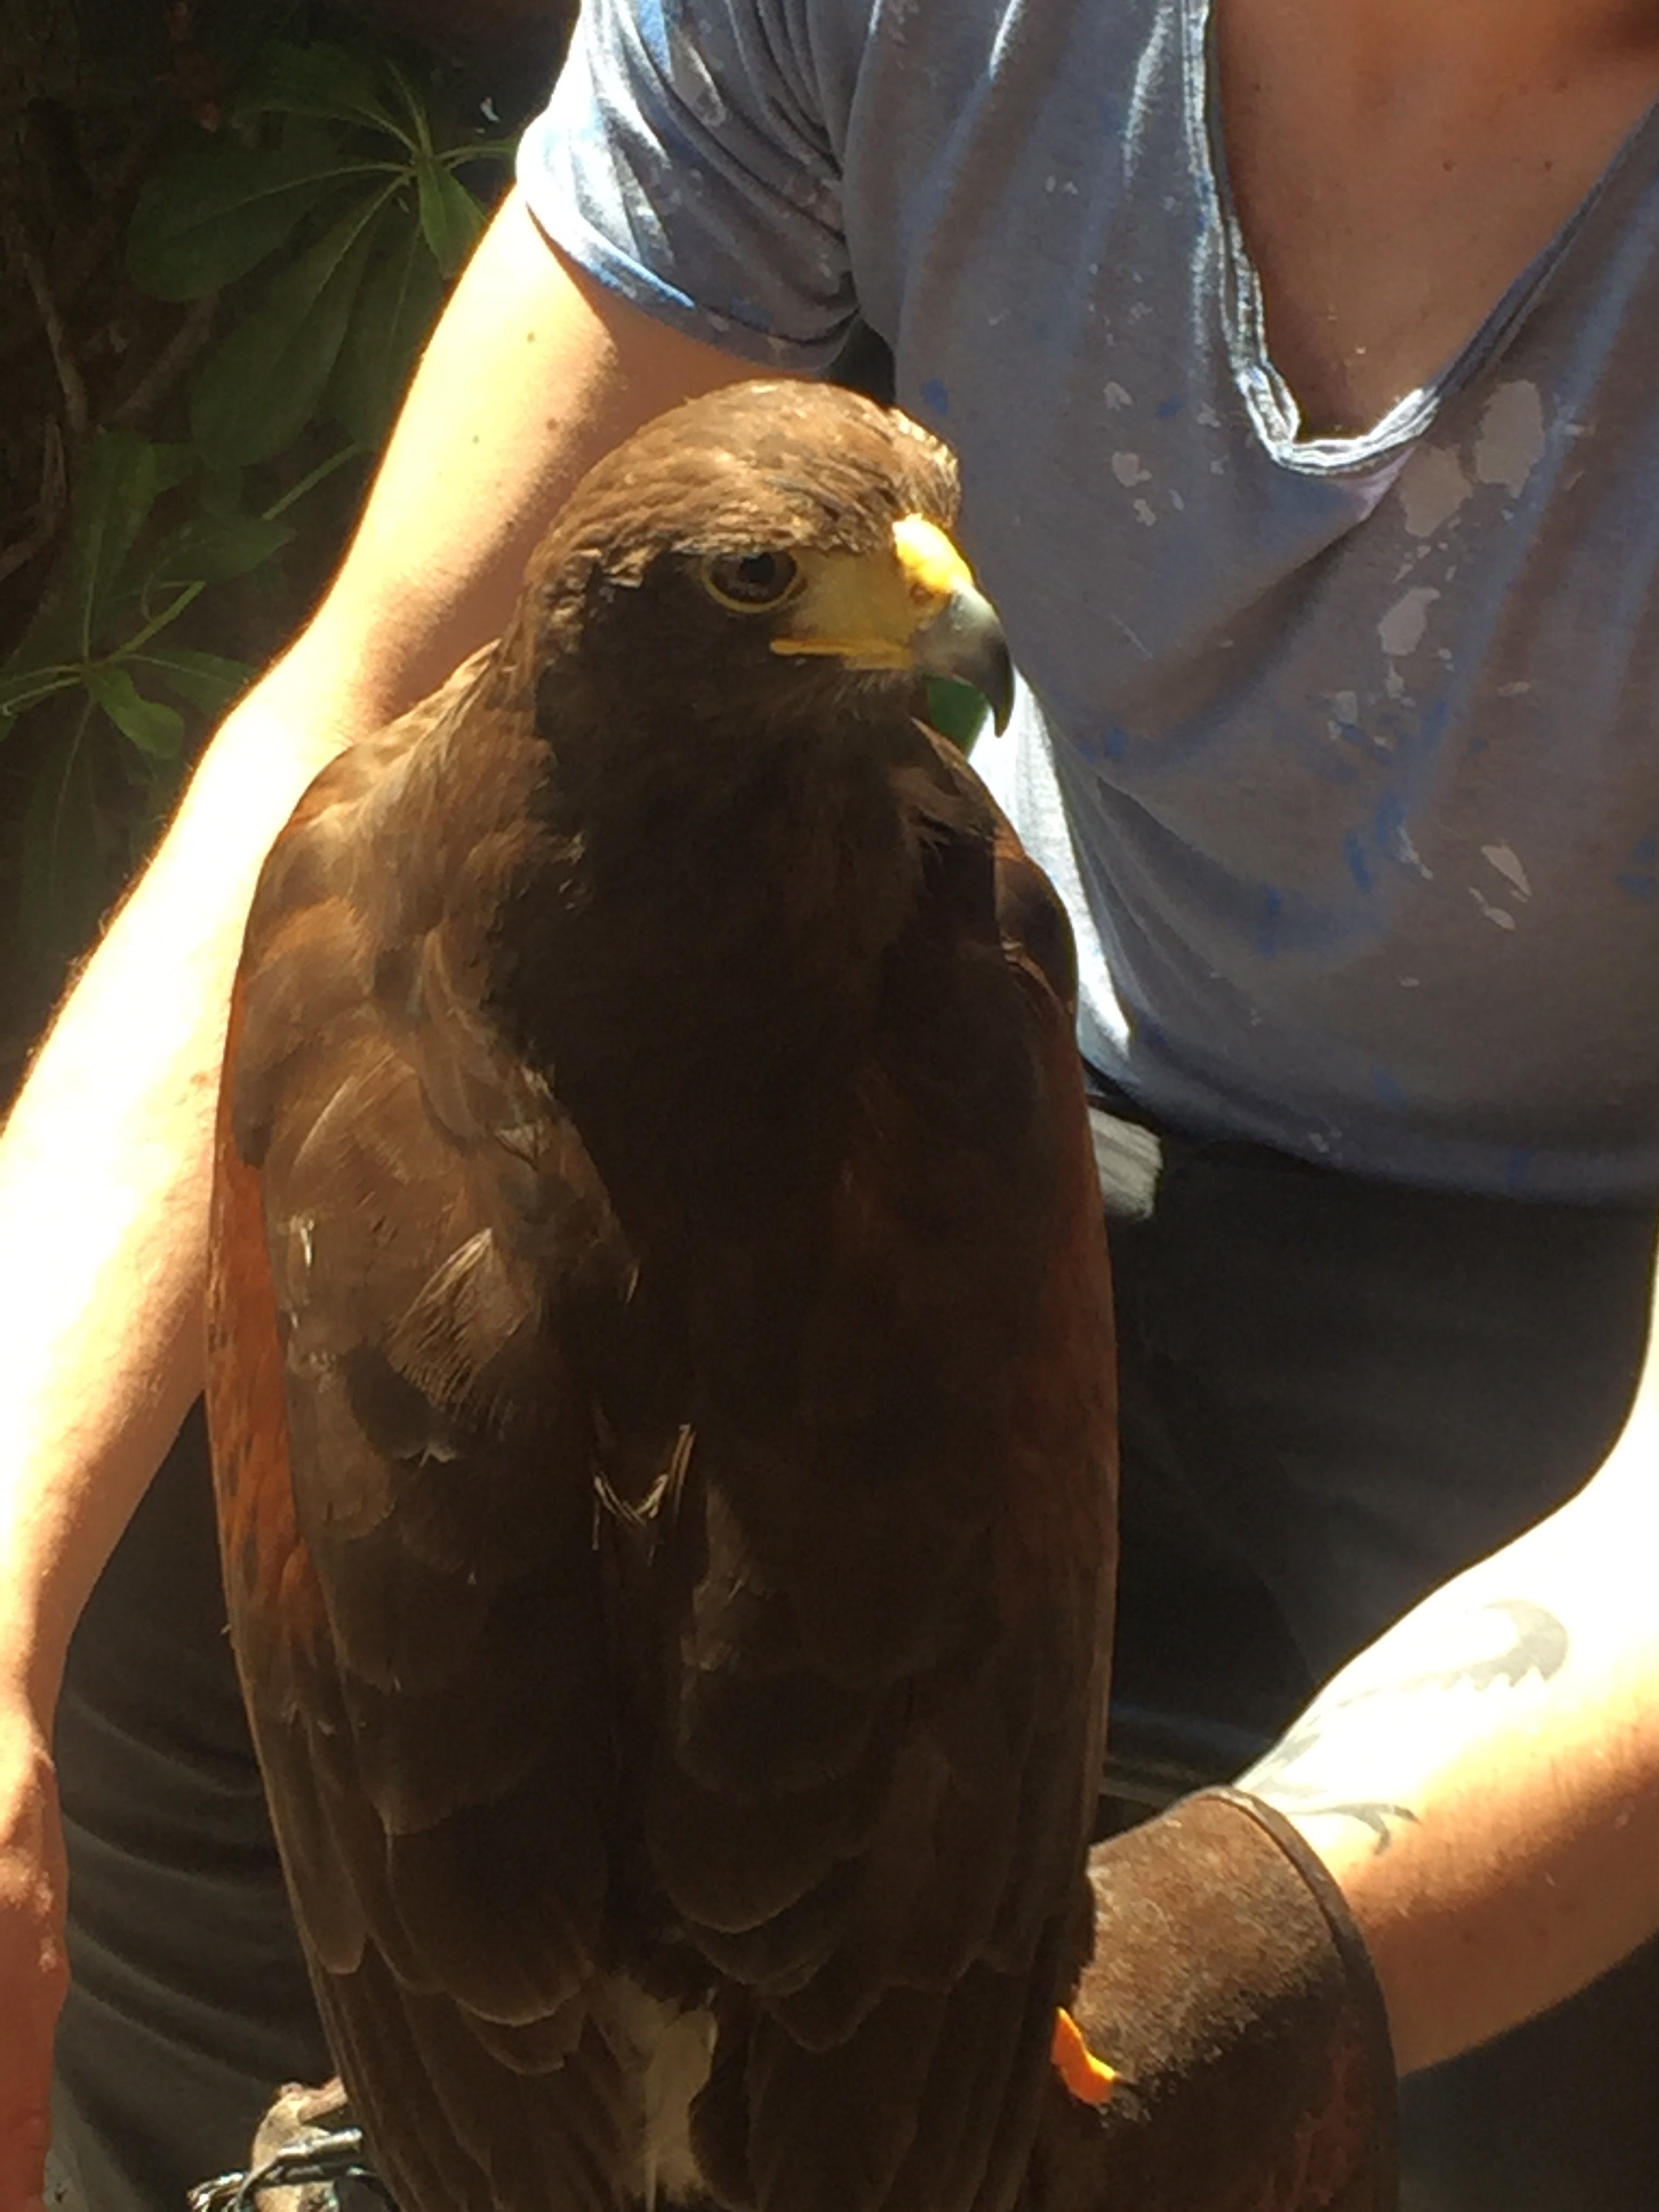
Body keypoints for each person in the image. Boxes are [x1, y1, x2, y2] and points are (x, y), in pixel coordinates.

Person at [5, 0, 1659, 2204]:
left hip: (1562, 1256)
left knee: (1532, 2098)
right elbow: (383, 715)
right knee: (138, 1631)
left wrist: (1269, 1965)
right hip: (975, 1064)